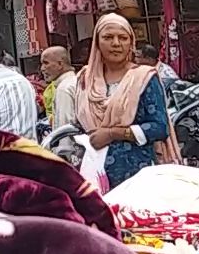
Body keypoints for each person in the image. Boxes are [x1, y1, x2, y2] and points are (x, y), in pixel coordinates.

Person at [75, 13, 180, 188]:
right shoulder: (86, 79)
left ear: (130, 43)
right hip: (92, 174)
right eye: (108, 37)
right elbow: (78, 124)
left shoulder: (143, 77)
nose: (116, 43)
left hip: (136, 177)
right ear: (97, 43)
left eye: (122, 38)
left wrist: (112, 134)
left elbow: (159, 128)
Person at [40, 46, 77, 129]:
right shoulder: (74, 81)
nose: (42, 69)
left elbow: (65, 130)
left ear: (60, 64)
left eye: (46, 63)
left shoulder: (64, 89)